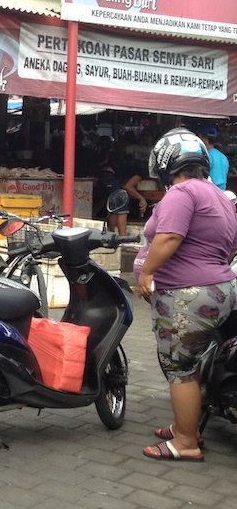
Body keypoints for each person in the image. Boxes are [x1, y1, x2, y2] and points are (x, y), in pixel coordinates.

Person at [137, 128, 237, 463]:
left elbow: (168, 238)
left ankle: (185, 441)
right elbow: (231, 245)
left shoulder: (182, 194)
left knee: (181, 369)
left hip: (186, 297)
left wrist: (147, 274)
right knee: (194, 363)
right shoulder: (219, 195)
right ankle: (186, 424)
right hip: (222, 289)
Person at [95, 140, 147, 235]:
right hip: (110, 176)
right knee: (122, 206)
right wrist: (142, 199)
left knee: (114, 209)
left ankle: (112, 237)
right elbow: (127, 186)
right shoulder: (143, 170)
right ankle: (122, 240)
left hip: (104, 176)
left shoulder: (133, 163)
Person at [198, 125, 230, 191]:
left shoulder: (205, 156)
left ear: (205, 139)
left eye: (199, 137)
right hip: (222, 193)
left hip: (209, 193)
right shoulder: (223, 157)